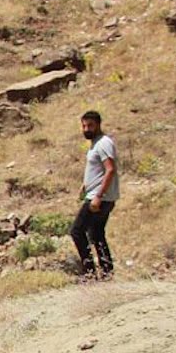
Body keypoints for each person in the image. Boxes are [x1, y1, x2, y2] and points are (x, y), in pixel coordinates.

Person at [71, 110, 119, 281]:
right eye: (84, 126)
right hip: (98, 195)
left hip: (99, 197)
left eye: (90, 125)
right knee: (96, 233)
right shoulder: (96, 143)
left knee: (77, 231)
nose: (86, 129)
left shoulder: (103, 143)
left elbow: (110, 169)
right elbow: (97, 170)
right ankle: (106, 272)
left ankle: (89, 272)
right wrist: (85, 185)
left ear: (98, 124)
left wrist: (98, 195)